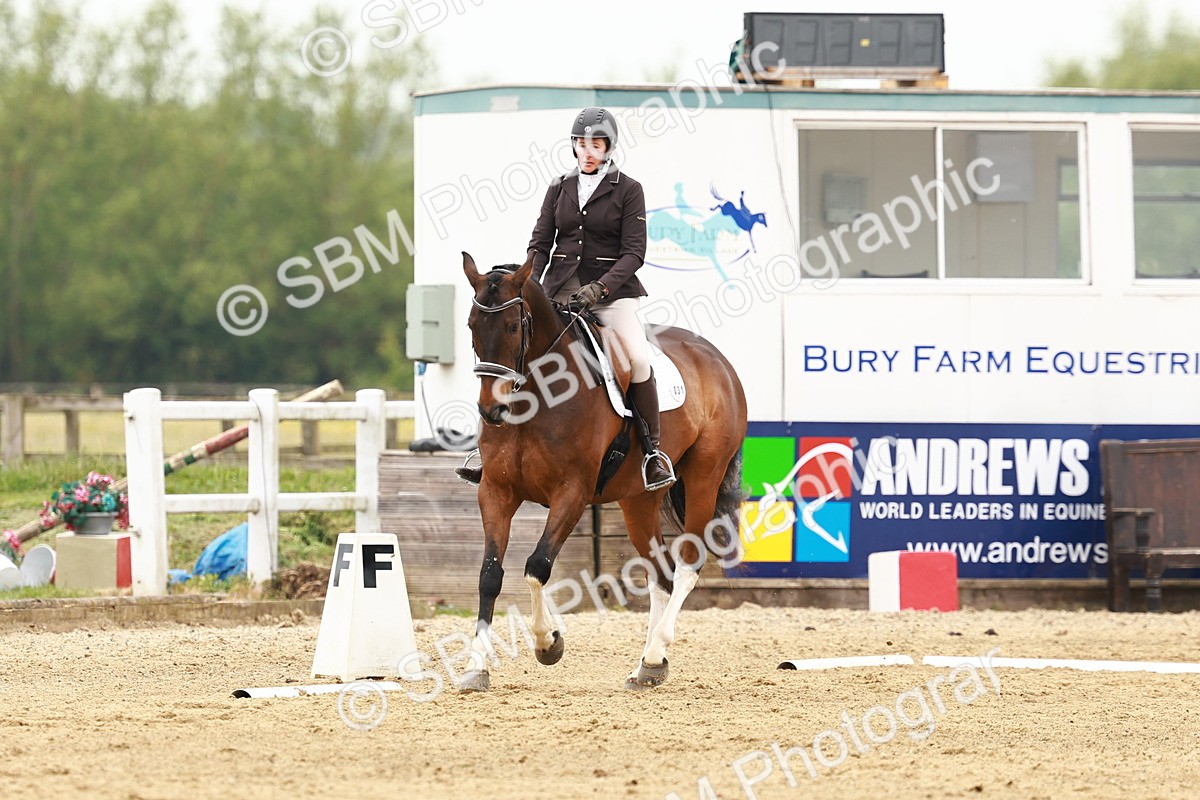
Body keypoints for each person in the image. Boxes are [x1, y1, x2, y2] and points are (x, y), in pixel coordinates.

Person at [458, 106, 676, 492]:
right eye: (581, 143)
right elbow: (540, 244)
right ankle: (490, 452)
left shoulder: (628, 190)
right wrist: (529, 286)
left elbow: (633, 253)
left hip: (612, 297)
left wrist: (600, 288)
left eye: (596, 143)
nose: (588, 150)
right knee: (515, 351)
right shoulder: (559, 187)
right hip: (559, 293)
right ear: (573, 146)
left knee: (638, 359)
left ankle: (652, 454)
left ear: (608, 147)